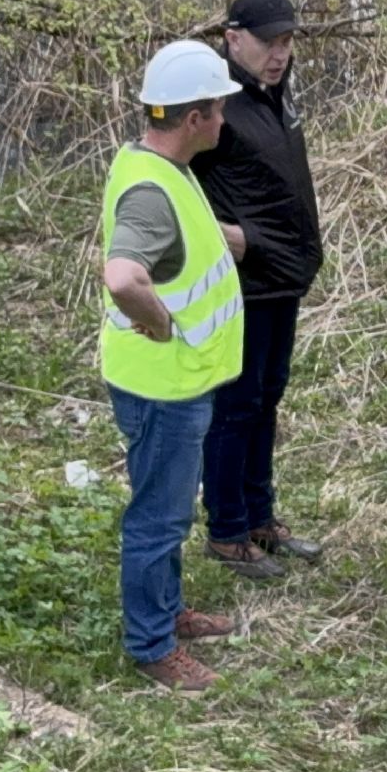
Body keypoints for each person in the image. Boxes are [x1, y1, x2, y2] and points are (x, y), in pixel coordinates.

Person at [100, 40, 249, 693]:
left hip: (177, 385)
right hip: (161, 389)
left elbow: (171, 245)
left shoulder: (159, 163)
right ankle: (152, 646)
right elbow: (123, 275)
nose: (225, 120)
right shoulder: (152, 193)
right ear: (193, 118)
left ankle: (167, 611)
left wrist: (222, 238)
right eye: (218, 110)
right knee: (158, 518)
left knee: (168, 510)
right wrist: (157, 321)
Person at [189, 0, 326, 579]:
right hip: (244, 283)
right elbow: (165, 177)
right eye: (268, 41)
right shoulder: (213, 102)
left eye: (288, 40)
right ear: (232, 37)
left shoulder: (273, 92)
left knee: (267, 398)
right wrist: (224, 232)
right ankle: (226, 530)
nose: (280, 51)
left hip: (282, 279)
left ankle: (259, 516)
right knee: (236, 405)